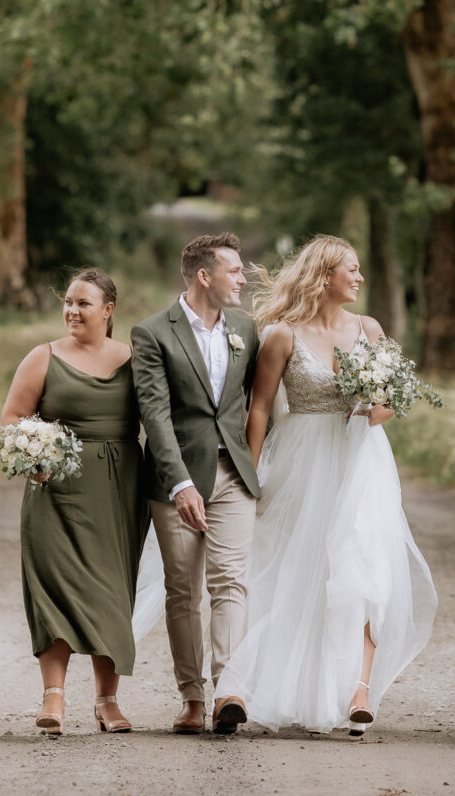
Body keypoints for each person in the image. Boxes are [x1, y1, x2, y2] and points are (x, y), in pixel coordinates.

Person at [213, 234, 437, 735]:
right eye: (350, 270)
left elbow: (394, 401)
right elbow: (261, 409)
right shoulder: (281, 336)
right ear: (324, 276)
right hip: (302, 460)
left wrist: (371, 407)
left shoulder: (369, 328)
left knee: (365, 566)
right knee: (302, 572)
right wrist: (249, 478)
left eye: (359, 269)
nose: (359, 278)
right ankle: (281, 686)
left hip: (362, 458)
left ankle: (359, 688)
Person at [0, 269, 146, 736]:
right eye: (68, 301)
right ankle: (54, 697)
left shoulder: (135, 359)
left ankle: (107, 700)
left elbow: (160, 419)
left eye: (84, 303)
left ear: (108, 311)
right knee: (54, 588)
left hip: (118, 488)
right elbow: (12, 418)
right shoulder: (43, 358)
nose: (72, 311)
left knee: (112, 591)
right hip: (54, 491)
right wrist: (32, 456)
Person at [131, 233, 261, 734]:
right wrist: (180, 482)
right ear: (204, 276)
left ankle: (229, 689)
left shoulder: (247, 329)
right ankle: (191, 696)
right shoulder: (152, 333)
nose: (243, 278)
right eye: (235, 270)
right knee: (183, 589)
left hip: (234, 475)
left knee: (230, 582)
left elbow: (254, 405)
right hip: (175, 478)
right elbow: (155, 415)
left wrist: (253, 464)